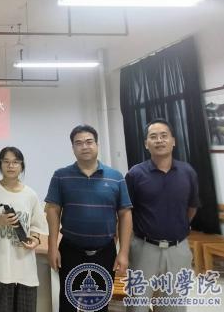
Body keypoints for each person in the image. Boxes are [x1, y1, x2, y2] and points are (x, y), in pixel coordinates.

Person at [45, 124, 133, 312]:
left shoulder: (116, 177)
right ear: (73, 148)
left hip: (105, 252)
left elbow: (125, 214)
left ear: (97, 145)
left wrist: (123, 252)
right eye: (78, 143)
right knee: (68, 304)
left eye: (89, 142)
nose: (84, 146)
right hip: (70, 251)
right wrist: (52, 247)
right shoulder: (61, 176)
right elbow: (52, 210)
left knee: (99, 305)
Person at [125, 119, 200, 312]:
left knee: (173, 305)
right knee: (137, 305)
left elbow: (192, 207)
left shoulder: (187, 172)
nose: (159, 140)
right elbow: (126, 213)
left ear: (173, 141)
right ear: (146, 144)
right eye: (153, 137)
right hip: (143, 249)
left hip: (178, 249)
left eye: (164, 136)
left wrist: (177, 226)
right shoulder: (135, 174)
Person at [0, 146, 42, 312]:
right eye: (6, 161)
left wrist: (35, 240)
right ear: (0, 164)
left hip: (25, 265)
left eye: (15, 162)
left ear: (22, 166)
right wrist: (0, 220)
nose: (11, 166)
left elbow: (36, 225)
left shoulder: (31, 194)